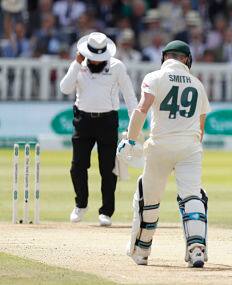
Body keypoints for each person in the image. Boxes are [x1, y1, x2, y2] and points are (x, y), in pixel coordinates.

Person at [117, 40, 211, 267]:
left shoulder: (154, 77)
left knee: (149, 199)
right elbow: (201, 125)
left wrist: (130, 140)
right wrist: (190, 145)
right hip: (190, 147)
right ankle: (197, 249)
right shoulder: (197, 83)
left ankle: (141, 251)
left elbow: (142, 108)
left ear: (165, 57)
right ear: (186, 59)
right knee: (192, 196)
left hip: (160, 145)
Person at [59, 32, 138, 226]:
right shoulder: (79, 66)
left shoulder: (117, 66)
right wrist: (76, 64)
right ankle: (81, 205)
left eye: (99, 59)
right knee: (78, 165)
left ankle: (106, 212)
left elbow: (129, 96)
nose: (95, 62)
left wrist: (135, 122)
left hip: (107, 121)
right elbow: (65, 88)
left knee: (108, 168)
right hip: (83, 120)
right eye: (92, 59)